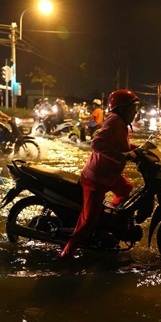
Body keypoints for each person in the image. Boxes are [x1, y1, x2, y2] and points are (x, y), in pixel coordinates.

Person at [58, 89, 141, 258]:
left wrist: (141, 150)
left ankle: (108, 220)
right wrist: (120, 156)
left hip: (109, 175)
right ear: (122, 109)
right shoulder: (114, 121)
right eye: (133, 109)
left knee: (126, 189)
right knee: (88, 222)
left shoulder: (122, 124)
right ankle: (65, 254)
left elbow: (121, 146)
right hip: (96, 179)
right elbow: (97, 143)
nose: (135, 112)